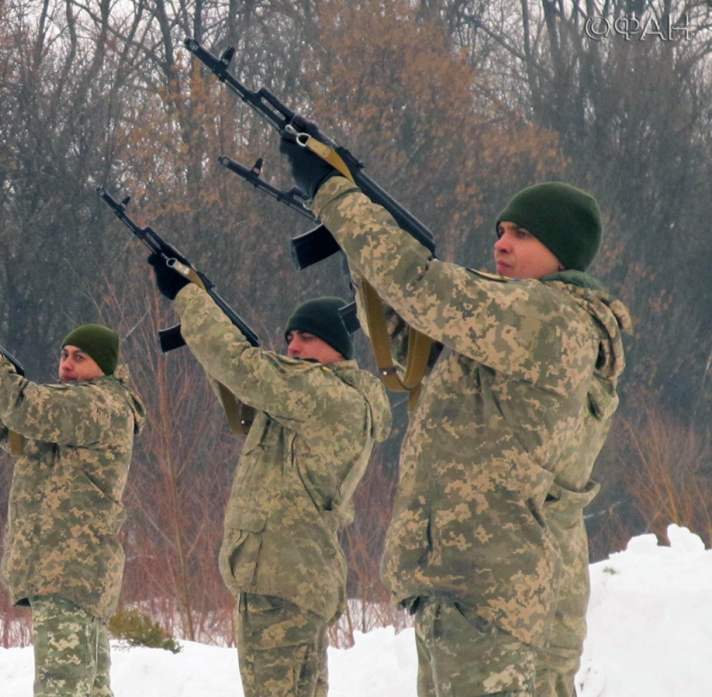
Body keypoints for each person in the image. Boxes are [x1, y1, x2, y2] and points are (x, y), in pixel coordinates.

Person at [280, 131, 631, 696]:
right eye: (499, 232)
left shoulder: (551, 319)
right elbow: (406, 341)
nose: (502, 243)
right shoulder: (507, 330)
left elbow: (421, 285)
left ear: (563, 250)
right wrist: (362, 255)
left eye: (522, 233)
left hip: (487, 588)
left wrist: (337, 196)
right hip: (460, 582)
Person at [146, 254, 391, 697]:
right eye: (290, 338)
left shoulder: (319, 392)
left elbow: (239, 364)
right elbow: (241, 382)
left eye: (308, 338)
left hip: (279, 577)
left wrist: (188, 296)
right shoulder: (329, 399)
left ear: (338, 348)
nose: (293, 348)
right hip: (297, 577)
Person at [0, 313, 145, 697]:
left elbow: (24, 407)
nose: (66, 365)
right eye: (64, 355)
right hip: (73, 575)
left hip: (70, 574)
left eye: (80, 357)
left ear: (104, 366)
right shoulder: (79, 413)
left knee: (61, 690)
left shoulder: (97, 403)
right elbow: (14, 431)